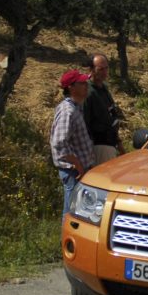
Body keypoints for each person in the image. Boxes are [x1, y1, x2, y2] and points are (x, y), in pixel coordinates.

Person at [50, 69, 97, 218]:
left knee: (80, 212)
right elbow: (59, 142)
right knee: (71, 212)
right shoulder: (67, 111)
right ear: (71, 87)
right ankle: (67, 241)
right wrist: (78, 166)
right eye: (82, 83)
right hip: (73, 172)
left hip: (79, 170)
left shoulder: (76, 108)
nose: (86, 86)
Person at [82, 53, 124, 165]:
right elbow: (85, 123)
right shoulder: (88, 92)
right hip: (99, 145)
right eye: (100, 69)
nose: (105, 72)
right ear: (91, 69)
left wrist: (118, 143)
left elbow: (110, 116)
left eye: (106, 68)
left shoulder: (104, 88)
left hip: (110, 142)